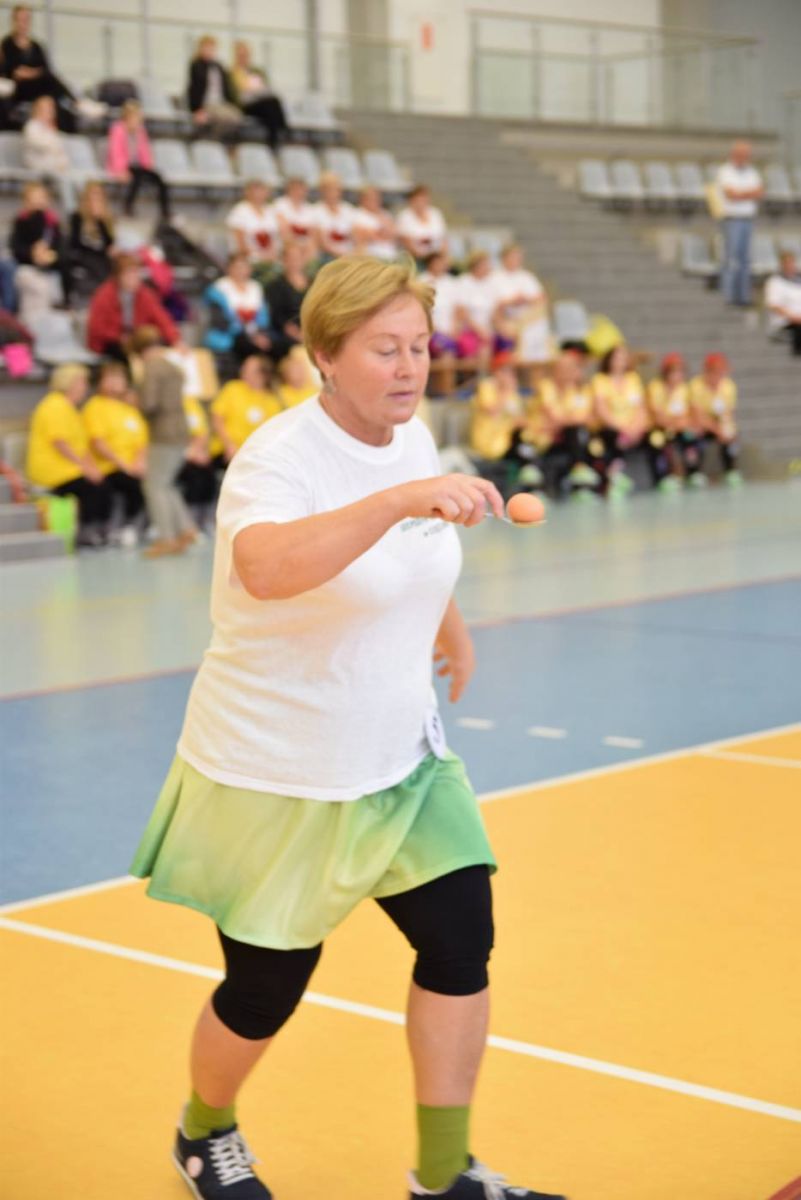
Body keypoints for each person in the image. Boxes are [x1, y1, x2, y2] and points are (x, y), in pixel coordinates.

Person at [130, 254, 564, 1200]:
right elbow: (267, 569)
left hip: (401, 756)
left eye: (419, 346)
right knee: (265, 988)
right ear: (324, 355)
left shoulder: (411, 438)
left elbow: (414, 546)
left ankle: (443, 1175)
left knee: (460, 942)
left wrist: (447, 625)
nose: (409, 368)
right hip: (279, 766)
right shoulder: (278, 458)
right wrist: (400, 498)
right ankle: (203, 1132)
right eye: (384, 349)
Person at [128, 324, 199, 556]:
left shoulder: (151, 367)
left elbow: (149, 403)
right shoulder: (171, 365)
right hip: (180, 428)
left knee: (154, 485)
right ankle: (185, 528)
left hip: (163, 432)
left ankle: (166, 537)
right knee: (166, 483)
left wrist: (134, 401)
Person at [26, 362, 111, 547]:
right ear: (69, 382)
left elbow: (81, 445)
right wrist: (85, 467)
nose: (85, 387)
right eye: (82, 382)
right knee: (91, 487)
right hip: (52, 469)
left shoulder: (71, 409)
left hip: (70, 466)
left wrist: (92, 467)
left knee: (104, 482)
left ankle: (100, 530)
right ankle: (87, 532)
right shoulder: (54, 405)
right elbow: (60, 443)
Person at [83, 359, 148, 545]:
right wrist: (124, 465)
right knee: (130, 484)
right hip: (107, 465)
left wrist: (140, 461)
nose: (115, 383)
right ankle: (118, 528)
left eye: (119, 378)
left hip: (131, 465)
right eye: (110, 378)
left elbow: (142, 440)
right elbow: (97, 441)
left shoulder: (129, 409)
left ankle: (136, 526)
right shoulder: (95, 406)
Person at [469, 353, 544, 494]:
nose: (509, 375)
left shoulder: (512, 393)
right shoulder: (486, 386)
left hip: (510, 437)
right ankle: (530, 479)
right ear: (496, 371)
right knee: (522, 446)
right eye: (505, 370)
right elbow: (492, 411)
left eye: (511, 371)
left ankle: (531, 479)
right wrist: (506, 391)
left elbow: (518, 416)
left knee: (526, 440)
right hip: (490, 439)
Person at [0, 4, 77, 131]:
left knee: (52, 90)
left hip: (38, 86)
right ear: (14, 21)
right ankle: (75, 101)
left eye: (26, 20)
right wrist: (33, 72)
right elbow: (12, 72)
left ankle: (67, 120)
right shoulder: (7, 44)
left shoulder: (36, 46)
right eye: (20, 19)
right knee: (49, 79)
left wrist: (28, 72)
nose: (23, 24)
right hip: (19, 88)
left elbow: (45, 69)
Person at [87, 253, 179, 358]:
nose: (133, 278)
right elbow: (97, 329)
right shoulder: (104, 295)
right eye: (129, 274)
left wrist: (175, 340)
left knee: (152, 336)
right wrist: (118, 337)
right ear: (118, 276)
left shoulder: (145, 294)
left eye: (136, 273)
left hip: (134, 338)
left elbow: (161, 318)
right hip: (110, 343)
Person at [590, 345, 650, 496]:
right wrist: (623, 428)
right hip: (611, 427)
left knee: (657, 438)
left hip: (633, 428)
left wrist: (635, 427)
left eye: (623, 358)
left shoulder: (633, 379)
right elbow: (601, 410)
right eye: (616, 358)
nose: (620, 361)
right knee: (615, 439)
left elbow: (640, 407)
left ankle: (664, 477)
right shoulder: (600, 380)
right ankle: (615, 477)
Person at [537, 351, 600, 497]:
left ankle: (581, 476)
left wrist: (571, 420)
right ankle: (580, 473)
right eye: (562, 368)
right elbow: (556, 418)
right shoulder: (547, 387)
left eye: (570, 368)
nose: (566, 372)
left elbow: (590, 417)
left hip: (577, 436)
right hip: (550, 436)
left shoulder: (581, 389)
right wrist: (572, 419)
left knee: (579, 433)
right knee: (576, 432)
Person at [10, 180, 71, 320]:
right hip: (27, 268)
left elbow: (60, 248)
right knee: (37, 288)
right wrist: (32, 253)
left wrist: (51, 256)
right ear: (26, 201)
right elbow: (16, 248)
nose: (38, 202)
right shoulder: (21, 222)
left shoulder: (52, 223)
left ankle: (63, 306)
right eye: (34, 198)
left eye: (41, 197)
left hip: (51, 268)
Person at [646, 353, 704, 490]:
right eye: (674, 372)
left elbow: (692, 413)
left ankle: (693, 472)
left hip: (680, 428)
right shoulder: (656, 387)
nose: (677, 376)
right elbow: (658, 417)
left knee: (692, 436)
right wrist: (677, 422)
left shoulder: (684, 389)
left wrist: (683, 423)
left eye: (680, 372)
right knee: (657, 440)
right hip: (660, 429)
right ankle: (663, 477)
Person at [716, 141, 763, 308]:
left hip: (747, 219)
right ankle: (728, 296)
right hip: (732, 219)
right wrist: (748, 193)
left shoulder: (752, 171)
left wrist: (741, 194)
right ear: (735, 154)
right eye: (743, 154)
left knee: (745, 260)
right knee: (731, 258)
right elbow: (731, 195)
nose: (746, 157)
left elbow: (759, 192)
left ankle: (743, 296)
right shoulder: (725, 171)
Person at [106, 99, 171, 221]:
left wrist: (148, 165)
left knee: (159, 178)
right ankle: (128, 207)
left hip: (139, 167)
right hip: (123, 167)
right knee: (137, 177)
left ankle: (166, 212)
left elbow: (145, 151)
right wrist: (120, 170)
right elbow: (115, 152)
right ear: (128, 116)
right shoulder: (117, 129)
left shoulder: (140, 131)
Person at [211, 354, 282, 466]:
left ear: (262, 374)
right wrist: (229, 445)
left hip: (255, 454)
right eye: (244, 368)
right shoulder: (232, 388)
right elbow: (217, 419)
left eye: (248, 369)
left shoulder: (272, 400)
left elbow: (272, 432)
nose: (243, 371)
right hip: (226, 450)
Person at [203, 254, 273, 363]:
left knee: (276, 346)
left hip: (254, 334)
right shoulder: (218, 289)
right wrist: (251, 336)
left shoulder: (256, 287)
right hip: (228, 335)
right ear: (229, 268)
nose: (241, 271)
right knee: (248, 346)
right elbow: (220, 321)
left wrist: (260, 334)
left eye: (244, 267)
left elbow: (263, 317)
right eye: (237, 267)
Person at [489, 243, 551, 363]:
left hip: (528, 318)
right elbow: (494, 304)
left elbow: (541, 297)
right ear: (504, 258)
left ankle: (537, 361)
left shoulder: (526, 276)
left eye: (518, 257)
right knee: (519, 330)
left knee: (539, 320)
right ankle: (524, 358)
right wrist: (512, 301)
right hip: (506, 319)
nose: (516, 260)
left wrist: (526, 299)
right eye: (512, 257)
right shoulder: (495, 278)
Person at [689, 352, 741, 486]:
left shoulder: (728, 386)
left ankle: (731, 469)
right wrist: (716, 429)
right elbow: (698, 415)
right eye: (715, 371)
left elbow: (728, 412)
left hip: (719, 422)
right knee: (692, 434)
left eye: (721, 371)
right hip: (703, 424)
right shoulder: (696, 385)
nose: (719, 375)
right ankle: (695, 472)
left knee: (731, 433)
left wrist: (726, 428)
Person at [230, 39, 289, 150]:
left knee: (273, 102)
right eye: (241, 55)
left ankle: (276, 136)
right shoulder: (231, 73)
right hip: (244, 104)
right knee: (270, 106)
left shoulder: (257, 71)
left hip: (259, 101)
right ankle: (282, 133)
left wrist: (255, 89)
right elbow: (233, 94)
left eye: (245, 55)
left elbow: (265, 88)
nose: (243, 57)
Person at [21, 94, 75, 211]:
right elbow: (39, 144)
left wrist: (62, 162)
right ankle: (71, 210)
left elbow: (59, 149)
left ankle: (72, 207)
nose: (50, 112)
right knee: (65, 179)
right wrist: (52, 141)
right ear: (37, 110)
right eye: (46, 109)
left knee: (71, 176)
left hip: (54, 166)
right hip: (37, 164)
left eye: (51, 109)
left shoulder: (51, 129)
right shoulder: (32, 126)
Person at [225, 180, 281, 283]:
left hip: (272, 257)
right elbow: (240, 243)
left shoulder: (271, 210)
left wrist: (273, 254)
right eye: (255, 191)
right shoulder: (240, 211)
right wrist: (260, 256)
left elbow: (279, 236)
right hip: (249, 259)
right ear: (248, 193)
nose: (258, 195)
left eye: (261, 191)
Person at [187, 35, 242, 135]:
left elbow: (227, 89)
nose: (209, 51)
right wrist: (197, 110)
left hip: (220, 103)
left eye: (211, 49)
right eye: (206, 48)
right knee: (225, 118)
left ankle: (215, 137)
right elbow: (194, 90)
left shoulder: (219, 67)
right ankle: (213, 138)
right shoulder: (196, 66)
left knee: (236, 116)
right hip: (206, 104)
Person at [264, 241, 309, 360]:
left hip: (312, 330)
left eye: (297, 257)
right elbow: (277, 317)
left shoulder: (314, 283)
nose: (294, 262)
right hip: (287, 335)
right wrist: (298, 334)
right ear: (283, 260)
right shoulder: (275, 286)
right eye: (290, 258)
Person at [68, 180, 115, 291]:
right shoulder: (77, 217)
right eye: (93, 196)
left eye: (98, 197)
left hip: (101, 259)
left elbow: (109, 245)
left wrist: (99, 222)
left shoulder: (106, 220)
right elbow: (74, 243)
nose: (95, 201)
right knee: (95, 262)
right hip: (83, 256)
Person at [453, 251, 495, 362]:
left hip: (487, 330)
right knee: (474, 349)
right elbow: (462, 312)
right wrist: (479, 330)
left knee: (490, 345)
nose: (488, 267)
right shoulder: (464, 282)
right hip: (468, 330)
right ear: (476, 266)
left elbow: (495, 310)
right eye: (485, 264)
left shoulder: (490, 283)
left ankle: (484, 371)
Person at [419, 251, 460, 358]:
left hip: (450, 329)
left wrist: (455, 328)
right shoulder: (421, 281)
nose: (440, 265)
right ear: (430, 264)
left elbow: (457, 308)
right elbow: (422, 311)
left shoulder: (451, 282)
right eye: (437, 263)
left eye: (442, 263)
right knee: (446, 352)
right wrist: (436, 329)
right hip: (432, 330)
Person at [312, 172, 356, 261]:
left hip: (349, 254)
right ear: (322, 190)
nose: (332, 192)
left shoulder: (348, 209)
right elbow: (323, 243)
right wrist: (343, 255)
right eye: (328, 189)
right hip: (326, 256)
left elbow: (356, 237)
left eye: (335, 189)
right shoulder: (315, 211)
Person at [396, 185, 447, 262]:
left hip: (435, 256)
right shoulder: (405, 216)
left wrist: (443, 255)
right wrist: (423, 255)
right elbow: (405, 240)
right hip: (415, 257)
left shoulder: (435, 213)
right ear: (411, 200)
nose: (421, 203)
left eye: (423, 199)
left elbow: (443, 238)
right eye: (418, 199)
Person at [764, 250, 801, 356]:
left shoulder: (798, 281)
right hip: (785, 322)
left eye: (792, 263)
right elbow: (774, 305)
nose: (790, 266)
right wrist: (794, 317)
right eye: (787, 263)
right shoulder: (775, 282)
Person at [273, 177, 317, 260]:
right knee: (293, 252)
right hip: (286, 246)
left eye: (301, 189)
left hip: (306, 247)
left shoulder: (309, 208)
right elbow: (284, 231)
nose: (298, 192)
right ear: (288, 190)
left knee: (313, 251)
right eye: (295, 189)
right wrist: (297, 245)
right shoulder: (280, 204)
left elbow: (313, 234)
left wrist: (307, 246)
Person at [353, 185, 397, 260]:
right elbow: (363, 236)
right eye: (370, 198)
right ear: (362, 199)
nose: (374, 200)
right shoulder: (358, 214)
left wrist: (381, 232)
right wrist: (382, 233)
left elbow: (394, 234)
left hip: (390, 255)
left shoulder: (385, 213)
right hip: (369, 257)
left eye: (376, 198)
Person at [276, 344, 318, 408]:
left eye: (300, 369)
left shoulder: (315, 391)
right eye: (294, 370)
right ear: (285, 373)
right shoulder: (278, 394)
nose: (300, 372)